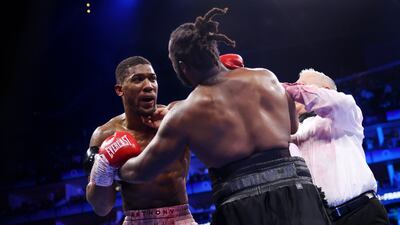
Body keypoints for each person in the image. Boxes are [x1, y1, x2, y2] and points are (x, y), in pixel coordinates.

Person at [119, 8, 330, 225]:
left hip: (243, 207)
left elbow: (142, 171)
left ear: (181, 67)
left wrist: (109, 162)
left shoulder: (185, 113)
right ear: (214, 50)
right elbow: (293, 128)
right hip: (298, 193)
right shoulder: (266, 77)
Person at [85, 56, 197, 225]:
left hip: (181, 218)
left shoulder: (175, 116)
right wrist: (104, 164)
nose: (148, 86)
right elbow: (102, 208)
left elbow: (220, 143)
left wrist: (175, 125)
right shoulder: (104, 134)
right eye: (138, 79)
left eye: (153, 79)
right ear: (120, 89)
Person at [285, 69, 389, 225]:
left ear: (325, 90)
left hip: (362, 214)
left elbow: (337, 102)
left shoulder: (344, 116)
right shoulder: (291, 133)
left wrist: (282, 87)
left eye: (301, 85)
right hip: (322, 220)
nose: (296, 91)